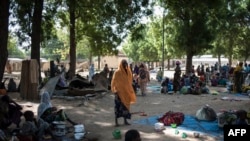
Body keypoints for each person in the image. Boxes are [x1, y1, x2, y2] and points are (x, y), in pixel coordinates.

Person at [111, 59, 136, 126]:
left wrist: (130, 89)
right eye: (124, 64)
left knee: (126, 108)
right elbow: (113, 82)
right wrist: (114, 90)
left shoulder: (128, 72)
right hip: (119, 93)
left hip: (126, 93)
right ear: (121, 64)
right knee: (118, 108)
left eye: (126, 63)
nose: (125, 65)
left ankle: (125, 121)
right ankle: (116, 122)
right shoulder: (117, 72)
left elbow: (129, 82)